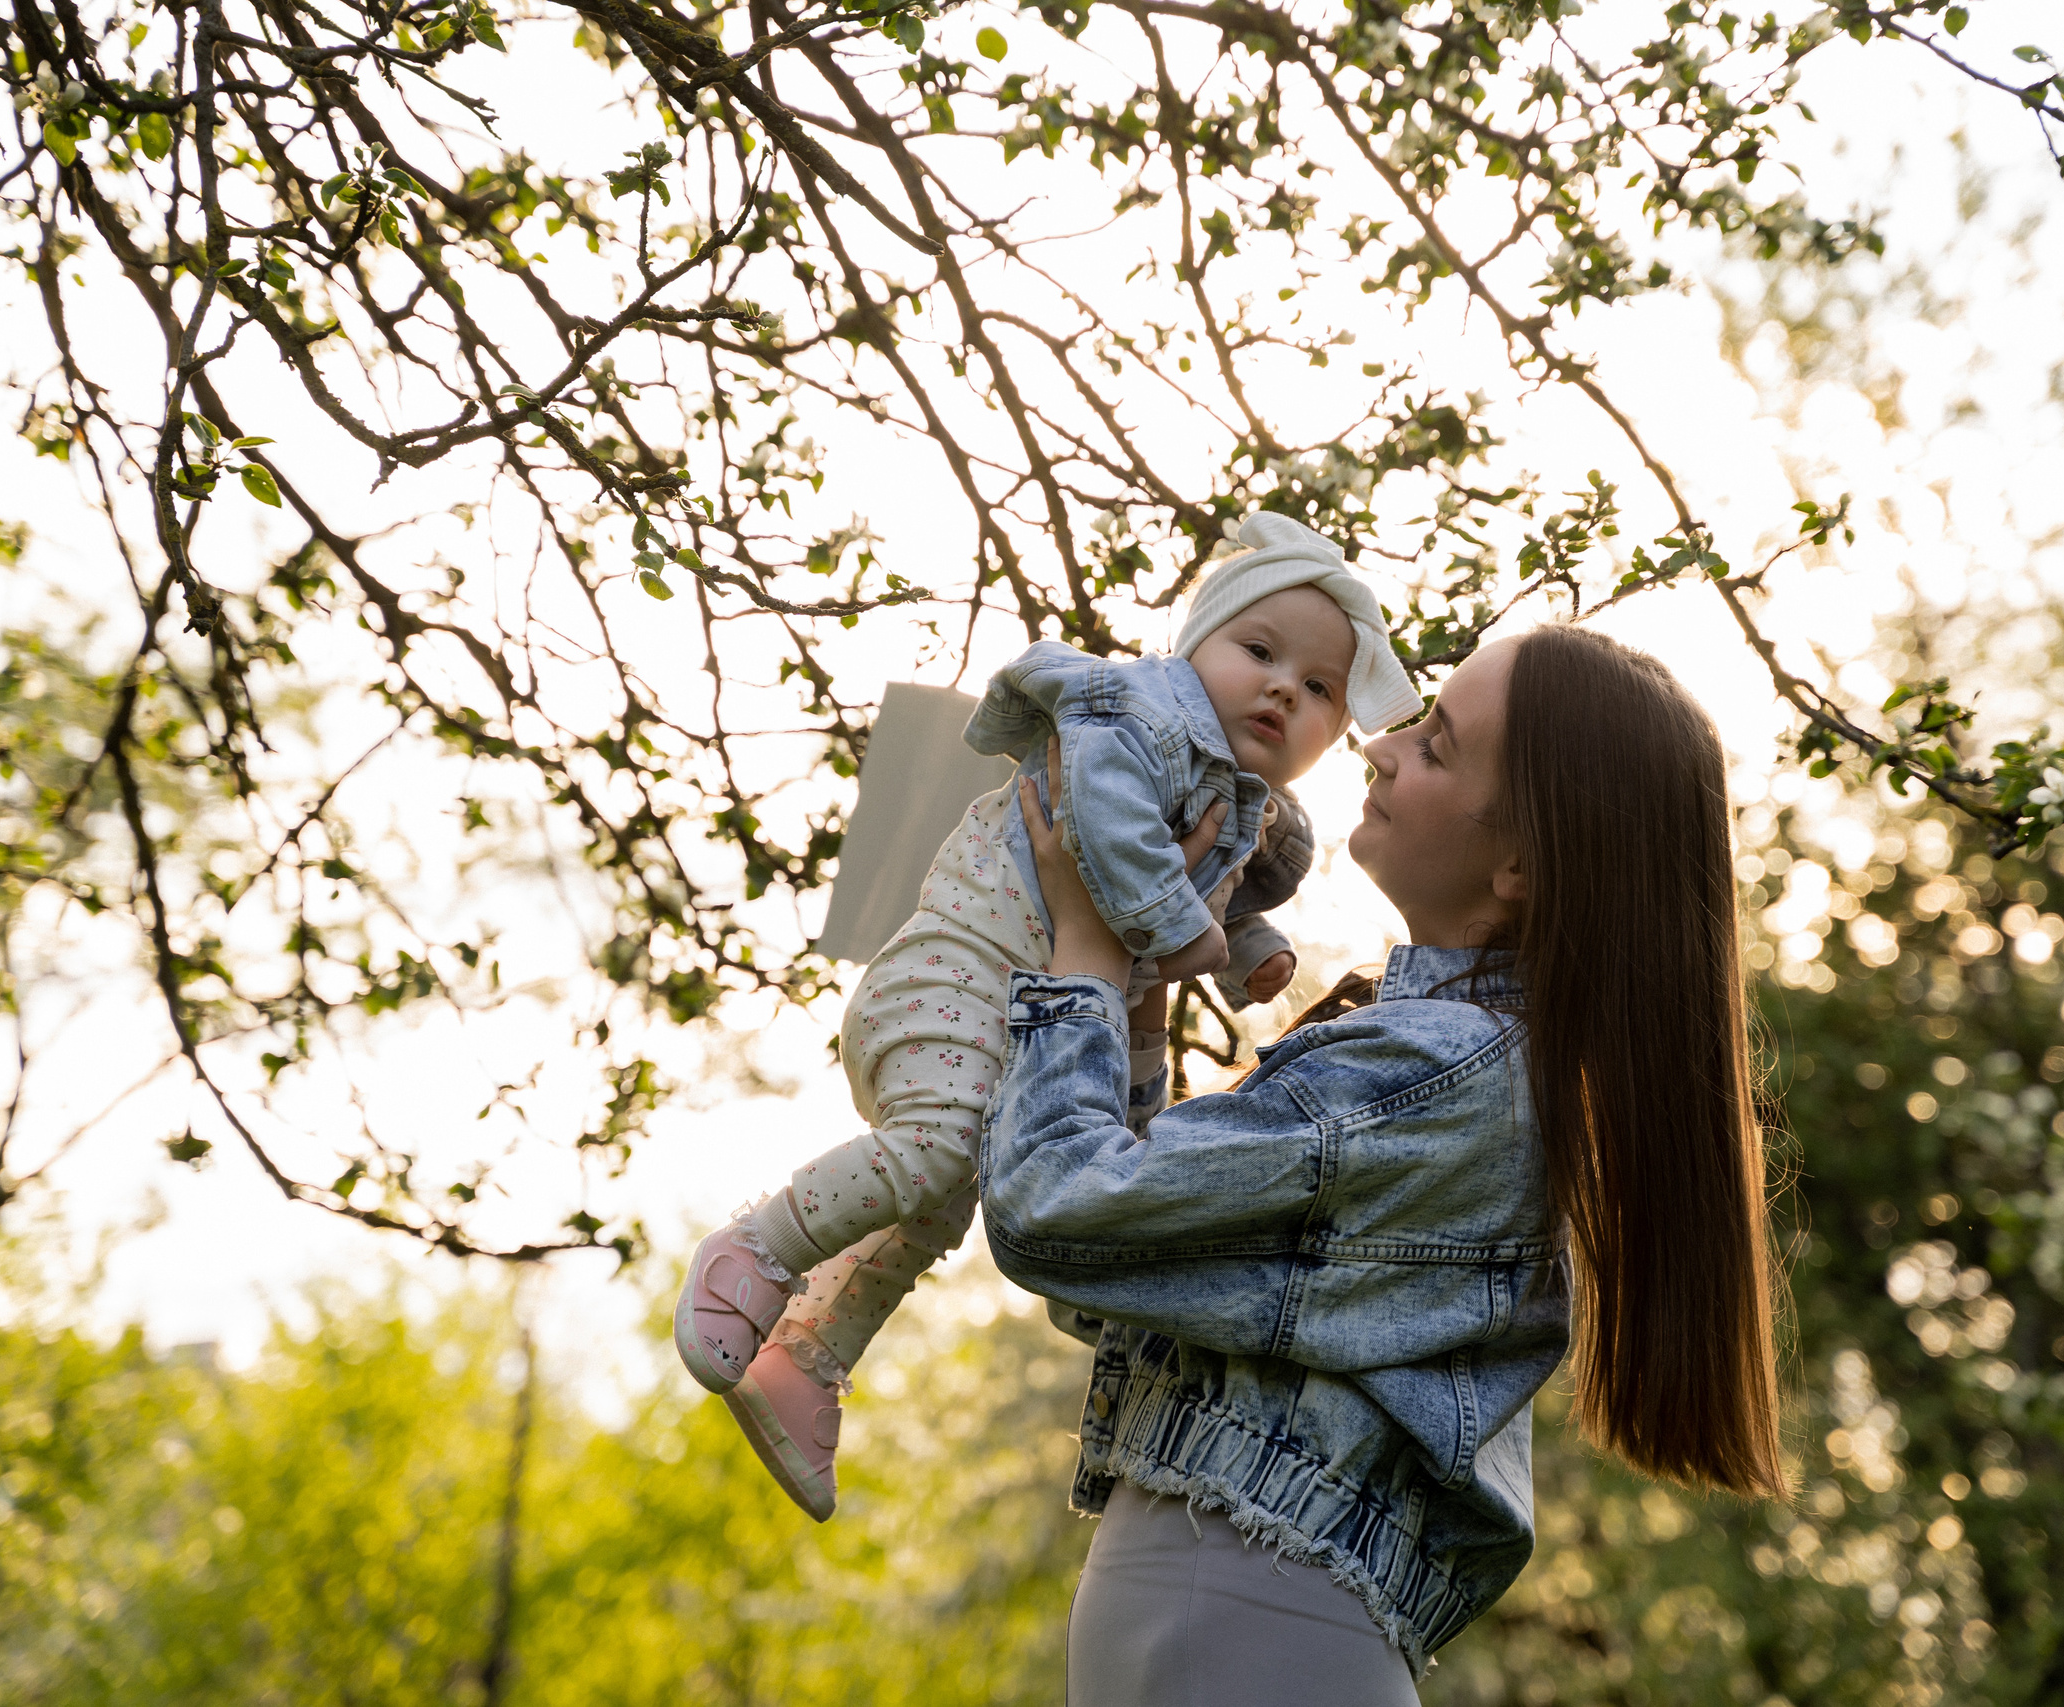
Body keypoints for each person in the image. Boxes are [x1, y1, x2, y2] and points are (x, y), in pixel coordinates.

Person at [982, 624, 1787, 1703]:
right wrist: (1136, 990)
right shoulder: (1461, 1068)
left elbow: (1052, 1209)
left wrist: (1081, 953)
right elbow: (1119, 1275)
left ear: (1519, 865)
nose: (1380, 745)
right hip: (1236, 1622)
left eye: (1436, 745)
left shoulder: (1431, 1069)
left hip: (1241, 1624)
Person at [674, 513, 1423, 1520]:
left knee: (943, 1199)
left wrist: (1251, 950)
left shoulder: (1229, 799)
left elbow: (1218, 897)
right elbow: (1107, 833)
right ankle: (757, 1248)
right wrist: (1182, 933)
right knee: (937, 1151)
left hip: (1010, 1016)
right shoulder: (1135, 717)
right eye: (1259, 651)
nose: (1286, 688)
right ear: (1192, 644)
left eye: (1321, 687)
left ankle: (807, 1356)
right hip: (959, 971)